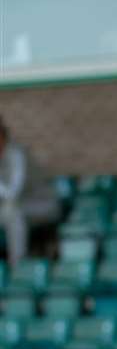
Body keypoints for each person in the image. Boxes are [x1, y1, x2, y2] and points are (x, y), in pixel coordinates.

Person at [0, 115, 61, 269]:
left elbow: (12, 192)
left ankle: (17, 268)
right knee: (10, 212)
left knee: (13, 214)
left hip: (42, 205)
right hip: (12, 208)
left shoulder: (16, 154)